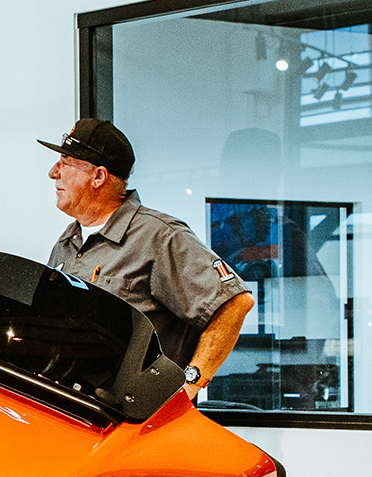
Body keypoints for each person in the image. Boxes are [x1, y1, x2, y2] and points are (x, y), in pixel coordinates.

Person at [41, 118, 254, 401]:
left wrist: (191, 383)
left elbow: (234, 304)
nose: (53, 172)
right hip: (75, 411)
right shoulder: (67, 242)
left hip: (134, 418)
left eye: (65, 162)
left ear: (98, 176)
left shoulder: (160, 236)